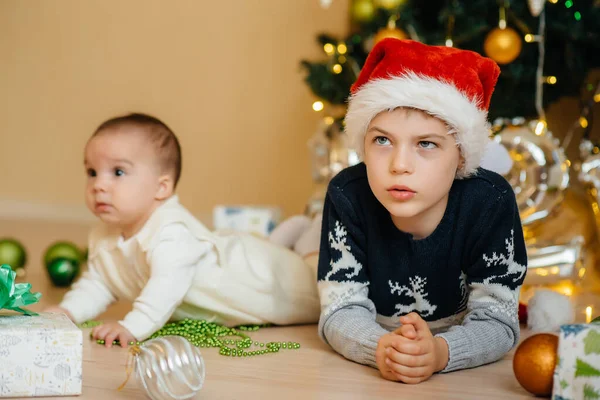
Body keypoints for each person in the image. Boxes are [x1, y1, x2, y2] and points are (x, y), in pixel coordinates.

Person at [316, 38, 527, 384]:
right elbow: (339, 308)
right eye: (382, 140)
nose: (399, 165)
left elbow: (498, 320)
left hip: (447, 337)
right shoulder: (347, 194)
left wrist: (441, 352)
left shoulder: (490, 202)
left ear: (460, 155)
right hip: (381, 329)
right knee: (305, 253)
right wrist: (380, 346)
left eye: (426, 144)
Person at [44, 113, 320, 347]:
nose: (98, 185)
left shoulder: (171, 232)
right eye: (92, 172)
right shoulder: (104, 235)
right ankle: (296, 238)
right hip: (237, 258)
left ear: (161, 187)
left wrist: (132, 327)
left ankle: (312, 236)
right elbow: (99, 283)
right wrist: (68, 311)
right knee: (278, 253)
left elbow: (165, 287)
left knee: (309, 279)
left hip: (260, 283)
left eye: (117, 172)